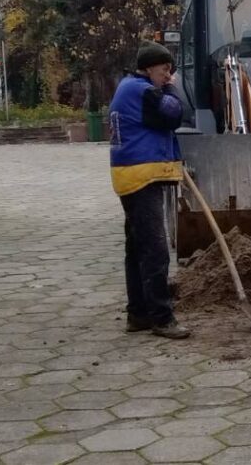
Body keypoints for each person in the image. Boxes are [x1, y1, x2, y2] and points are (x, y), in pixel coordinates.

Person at [109, 41, 190, 340]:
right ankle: (162, 318)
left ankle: (138, 314)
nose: (168, 76)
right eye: (164, 70)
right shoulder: (142, 91)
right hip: (141, 177)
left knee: (137, 248)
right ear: (148, 68)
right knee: (156, 249)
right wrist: (171, 89)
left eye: (170, 71)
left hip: (131, 175)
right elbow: (173, 114)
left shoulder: (128, 87)